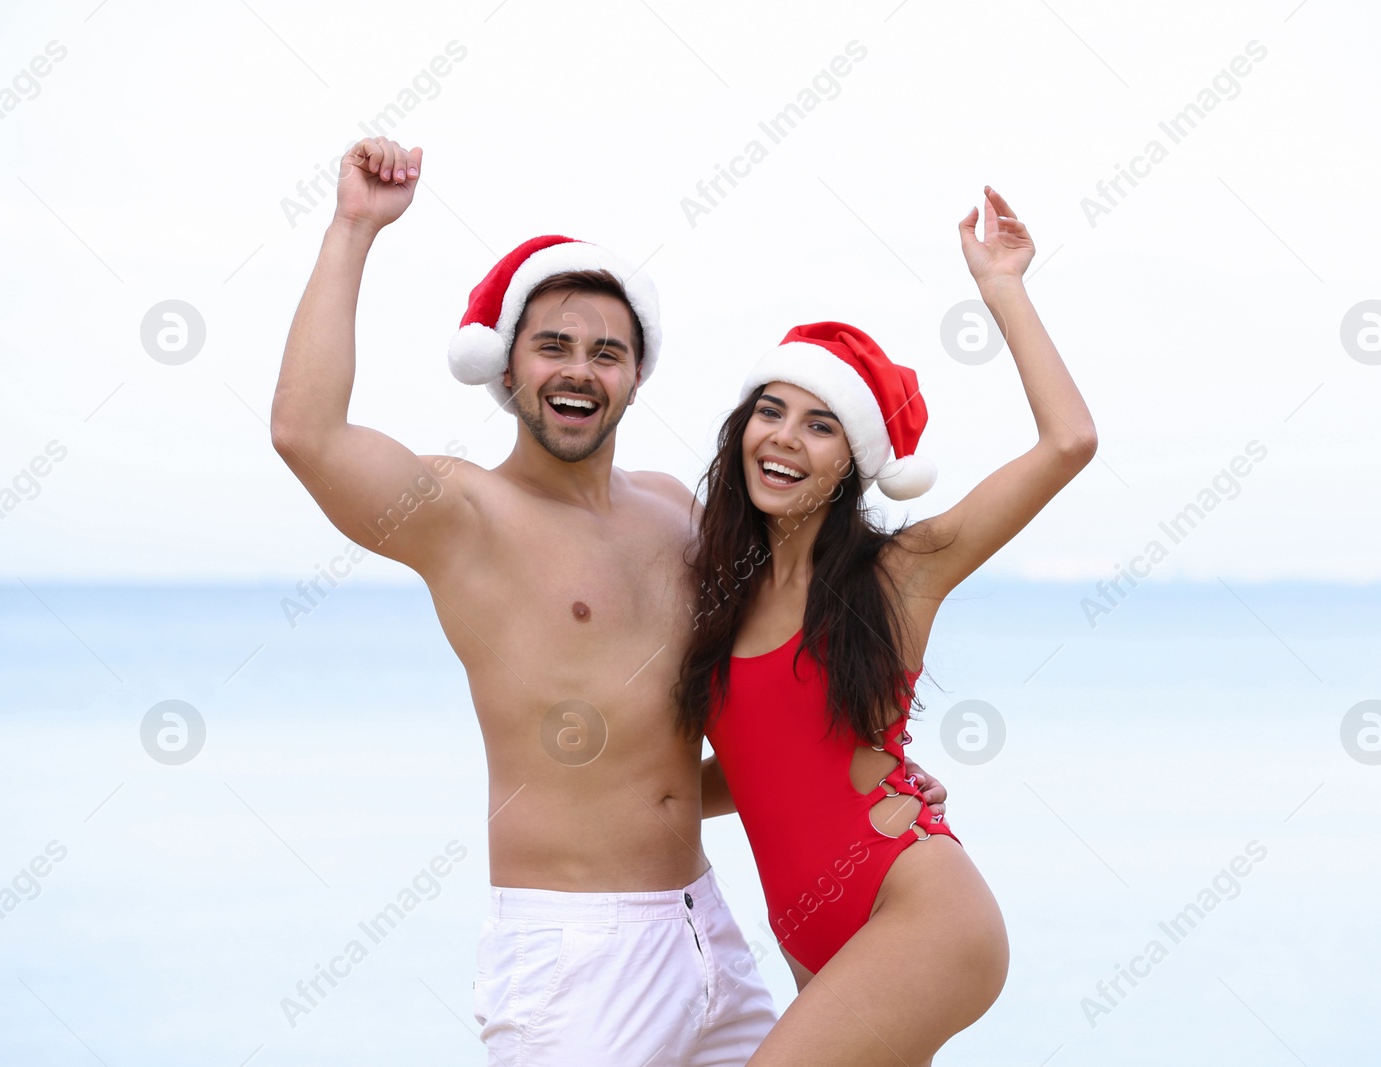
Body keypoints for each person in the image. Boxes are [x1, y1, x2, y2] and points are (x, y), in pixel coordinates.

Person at [269, 135, 948, 1065]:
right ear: (507, 369)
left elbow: (745, 709)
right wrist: (354, 228)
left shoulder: (677, 513)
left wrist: (855, 768)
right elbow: (306, 434)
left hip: (705, 929)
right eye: (552, 347)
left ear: (636, 377)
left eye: (607, 352)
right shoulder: (465, 514)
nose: (579, 369)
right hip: (575, 954)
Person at [677, 187, 1098, 1065]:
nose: (785, 438)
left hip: (919, 910)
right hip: (812, 937)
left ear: (852, 462)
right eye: (771, 410)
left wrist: (1004, 287)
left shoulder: (900, 572)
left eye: (821, 424)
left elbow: (1068, 442)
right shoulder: (720, 596)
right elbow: (761, 769)